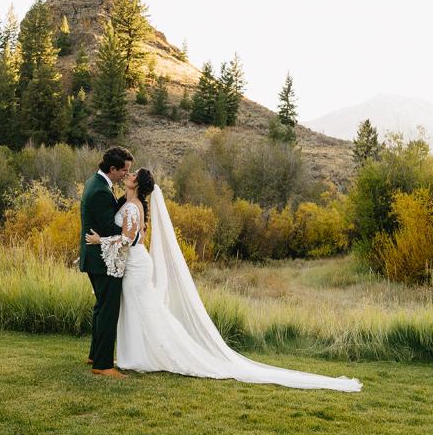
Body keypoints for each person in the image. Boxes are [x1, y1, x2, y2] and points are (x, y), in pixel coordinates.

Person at [86, 168, 362, 392]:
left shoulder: (133, 207)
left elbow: (129, 239)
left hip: (136, 266)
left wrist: (100, 240)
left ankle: (150, 354)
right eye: (128, 173)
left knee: (142, 309)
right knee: (137, 309)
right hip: (135, 265)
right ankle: (134, 355)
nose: (128, 175)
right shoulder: (129, 203)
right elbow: (138, 237)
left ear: (139, 184)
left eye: (133, 175)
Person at [78, 145, 132, 378]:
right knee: (108, 310)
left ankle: (95, 354)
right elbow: (109, 227)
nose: (126, 174)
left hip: (95, 258)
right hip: (102, 260)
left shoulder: (97, 183)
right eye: (124, 170)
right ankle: (103, 365)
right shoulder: (100, 190)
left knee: (101, 308)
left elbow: (108, 212)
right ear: (113, 168)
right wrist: (133, 231)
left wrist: (129, 199)